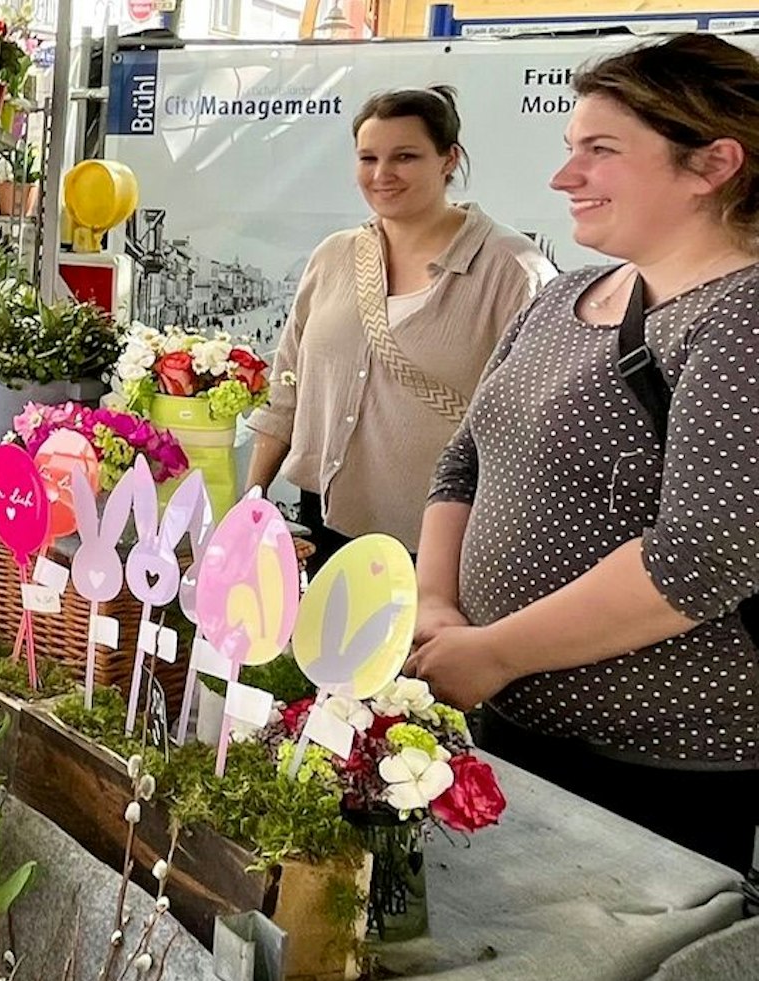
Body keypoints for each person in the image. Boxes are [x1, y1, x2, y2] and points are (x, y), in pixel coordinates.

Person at [411, 34, 759, 871]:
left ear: (713, 164)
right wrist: (435, 610)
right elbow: (463, 463)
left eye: (600, 151)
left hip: (656, 765)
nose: (565, 177)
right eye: (571, 149)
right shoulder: (567, 294)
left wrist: (493, 652)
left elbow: (700, 561)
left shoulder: (740, 320)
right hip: (509, 720)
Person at [245, 87, 552, 564]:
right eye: (368, 158)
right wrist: (253, 499)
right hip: (324, 521)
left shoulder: (513, 272)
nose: (382, 175)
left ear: (449, 159)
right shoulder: (334, 257)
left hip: (443, 538)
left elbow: (535, 428)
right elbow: (288, 389)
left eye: (405, 156)